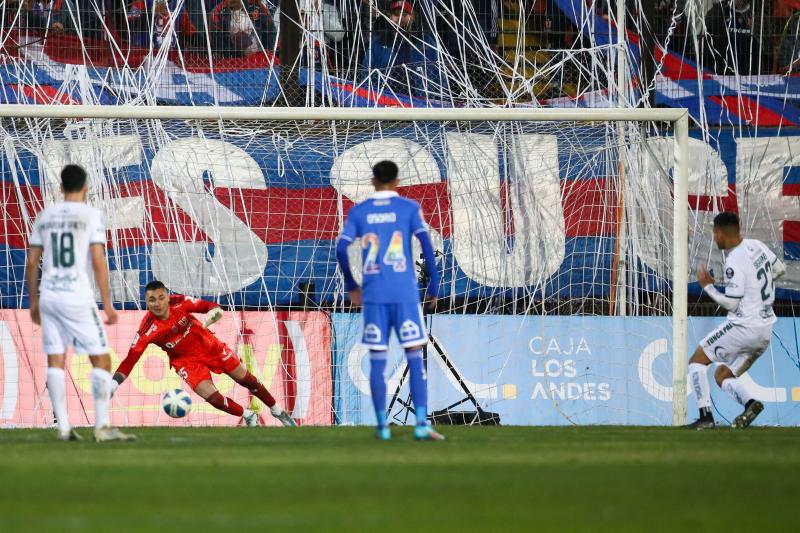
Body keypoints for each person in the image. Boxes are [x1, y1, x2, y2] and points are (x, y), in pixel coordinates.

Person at [25, 164, 135, 442]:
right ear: (86, 187)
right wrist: (108, 303)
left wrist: (34, 301)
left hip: (49, 294)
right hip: (77, 295)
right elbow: (98, 260)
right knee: (101, 358)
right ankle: (101, 426)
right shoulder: (91, 215)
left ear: (60, 188)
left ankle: (63, 426)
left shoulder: (44, 216)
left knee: (55, 359)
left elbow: (32, 261)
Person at [335, 160, 443, 441]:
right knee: (414, 357)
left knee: (378, 360)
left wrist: (351, 285)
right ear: (397, 181)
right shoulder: (408, 208)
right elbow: (427, 245)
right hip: (404, 294)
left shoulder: (360, 212)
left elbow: (341, 247)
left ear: (373, 181)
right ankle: (421, 424)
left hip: (374, 296)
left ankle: (382, 427)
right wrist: (433, 283)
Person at [111, 281, 296, 427]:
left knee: (246, 379)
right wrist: (113, 384)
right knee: (213, 398)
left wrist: (215, 310)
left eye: (161, 298)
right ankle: (248, 415)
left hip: (209, 346)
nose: (157, 303)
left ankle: (277, 410)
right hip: (185, 361)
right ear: (147, 302)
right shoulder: (147, 330)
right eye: (152, 300)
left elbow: (208, 306)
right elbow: (130, 360)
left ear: (167, 297)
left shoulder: (180, 303)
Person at [688, 212, 785, 429]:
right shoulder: (757, 245)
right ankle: (751, 404)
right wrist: (757, 292)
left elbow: (731, 304)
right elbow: (779, 269)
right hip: (765, 331)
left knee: (697, 361)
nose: (714, 238)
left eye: (714, 234)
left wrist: (708, 287)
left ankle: (705, 418)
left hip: (744, 327)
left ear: (720, 232)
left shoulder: (734, 259)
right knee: (723, 374)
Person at [359, 0, 447, 100]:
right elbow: (366, 75)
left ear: (412, 17)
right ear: (390, 17)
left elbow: (440, 75)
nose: (400, 18)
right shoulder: (378, 43)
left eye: (404, 14)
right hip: (386, 101)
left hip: (420, 102)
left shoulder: (426, 42)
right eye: (396, 14)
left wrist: (437, 100)